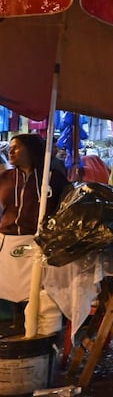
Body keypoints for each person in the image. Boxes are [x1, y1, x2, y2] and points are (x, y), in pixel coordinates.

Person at [0, 134, 69, 312]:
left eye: (17, 147)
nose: (11, 151)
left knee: (36, 290)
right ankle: (15, 321)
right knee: (9, 285)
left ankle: (34, 326)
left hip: (38, 242)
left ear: (31, 151)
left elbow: (66, 208)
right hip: (8, 241)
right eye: (11, 147)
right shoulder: (5, 178)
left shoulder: (53, 179)